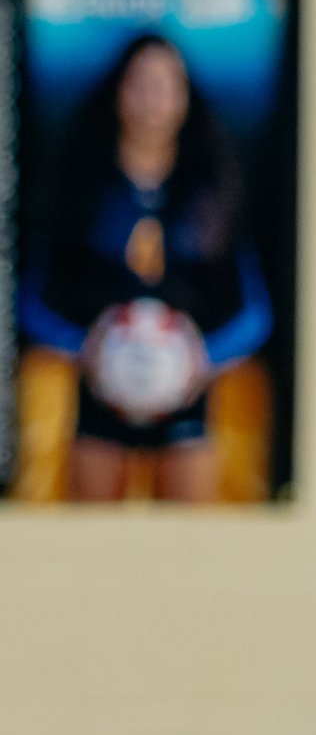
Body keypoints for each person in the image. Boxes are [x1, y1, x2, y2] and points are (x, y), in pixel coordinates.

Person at [18, 32, 272, 502]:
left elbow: (257, 312)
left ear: (184, 99)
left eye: (166, 85)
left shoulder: (212, 189)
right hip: (96, 395)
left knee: (188, 537)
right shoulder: (81, 187)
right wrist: (85, 346)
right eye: (140, 84)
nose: (153, 99)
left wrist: (202, 356)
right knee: (90, 535)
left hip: (187, 395)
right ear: (118, 94)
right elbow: (29, 300)